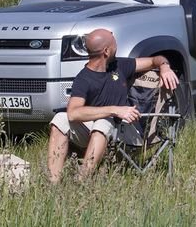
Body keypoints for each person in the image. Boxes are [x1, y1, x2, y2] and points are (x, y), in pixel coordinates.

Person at [46, 28, 179, 183]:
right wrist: (115, 110)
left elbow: (154, 59)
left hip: (128, 132)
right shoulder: (83, 79)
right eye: (114, 42)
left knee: (104, 122)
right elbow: (73, 113)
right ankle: (53, 183)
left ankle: (81, 181)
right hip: (98, 130)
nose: (117, 45)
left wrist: (164, 66)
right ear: (106, 51)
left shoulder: (120, 66)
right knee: (60, 119)